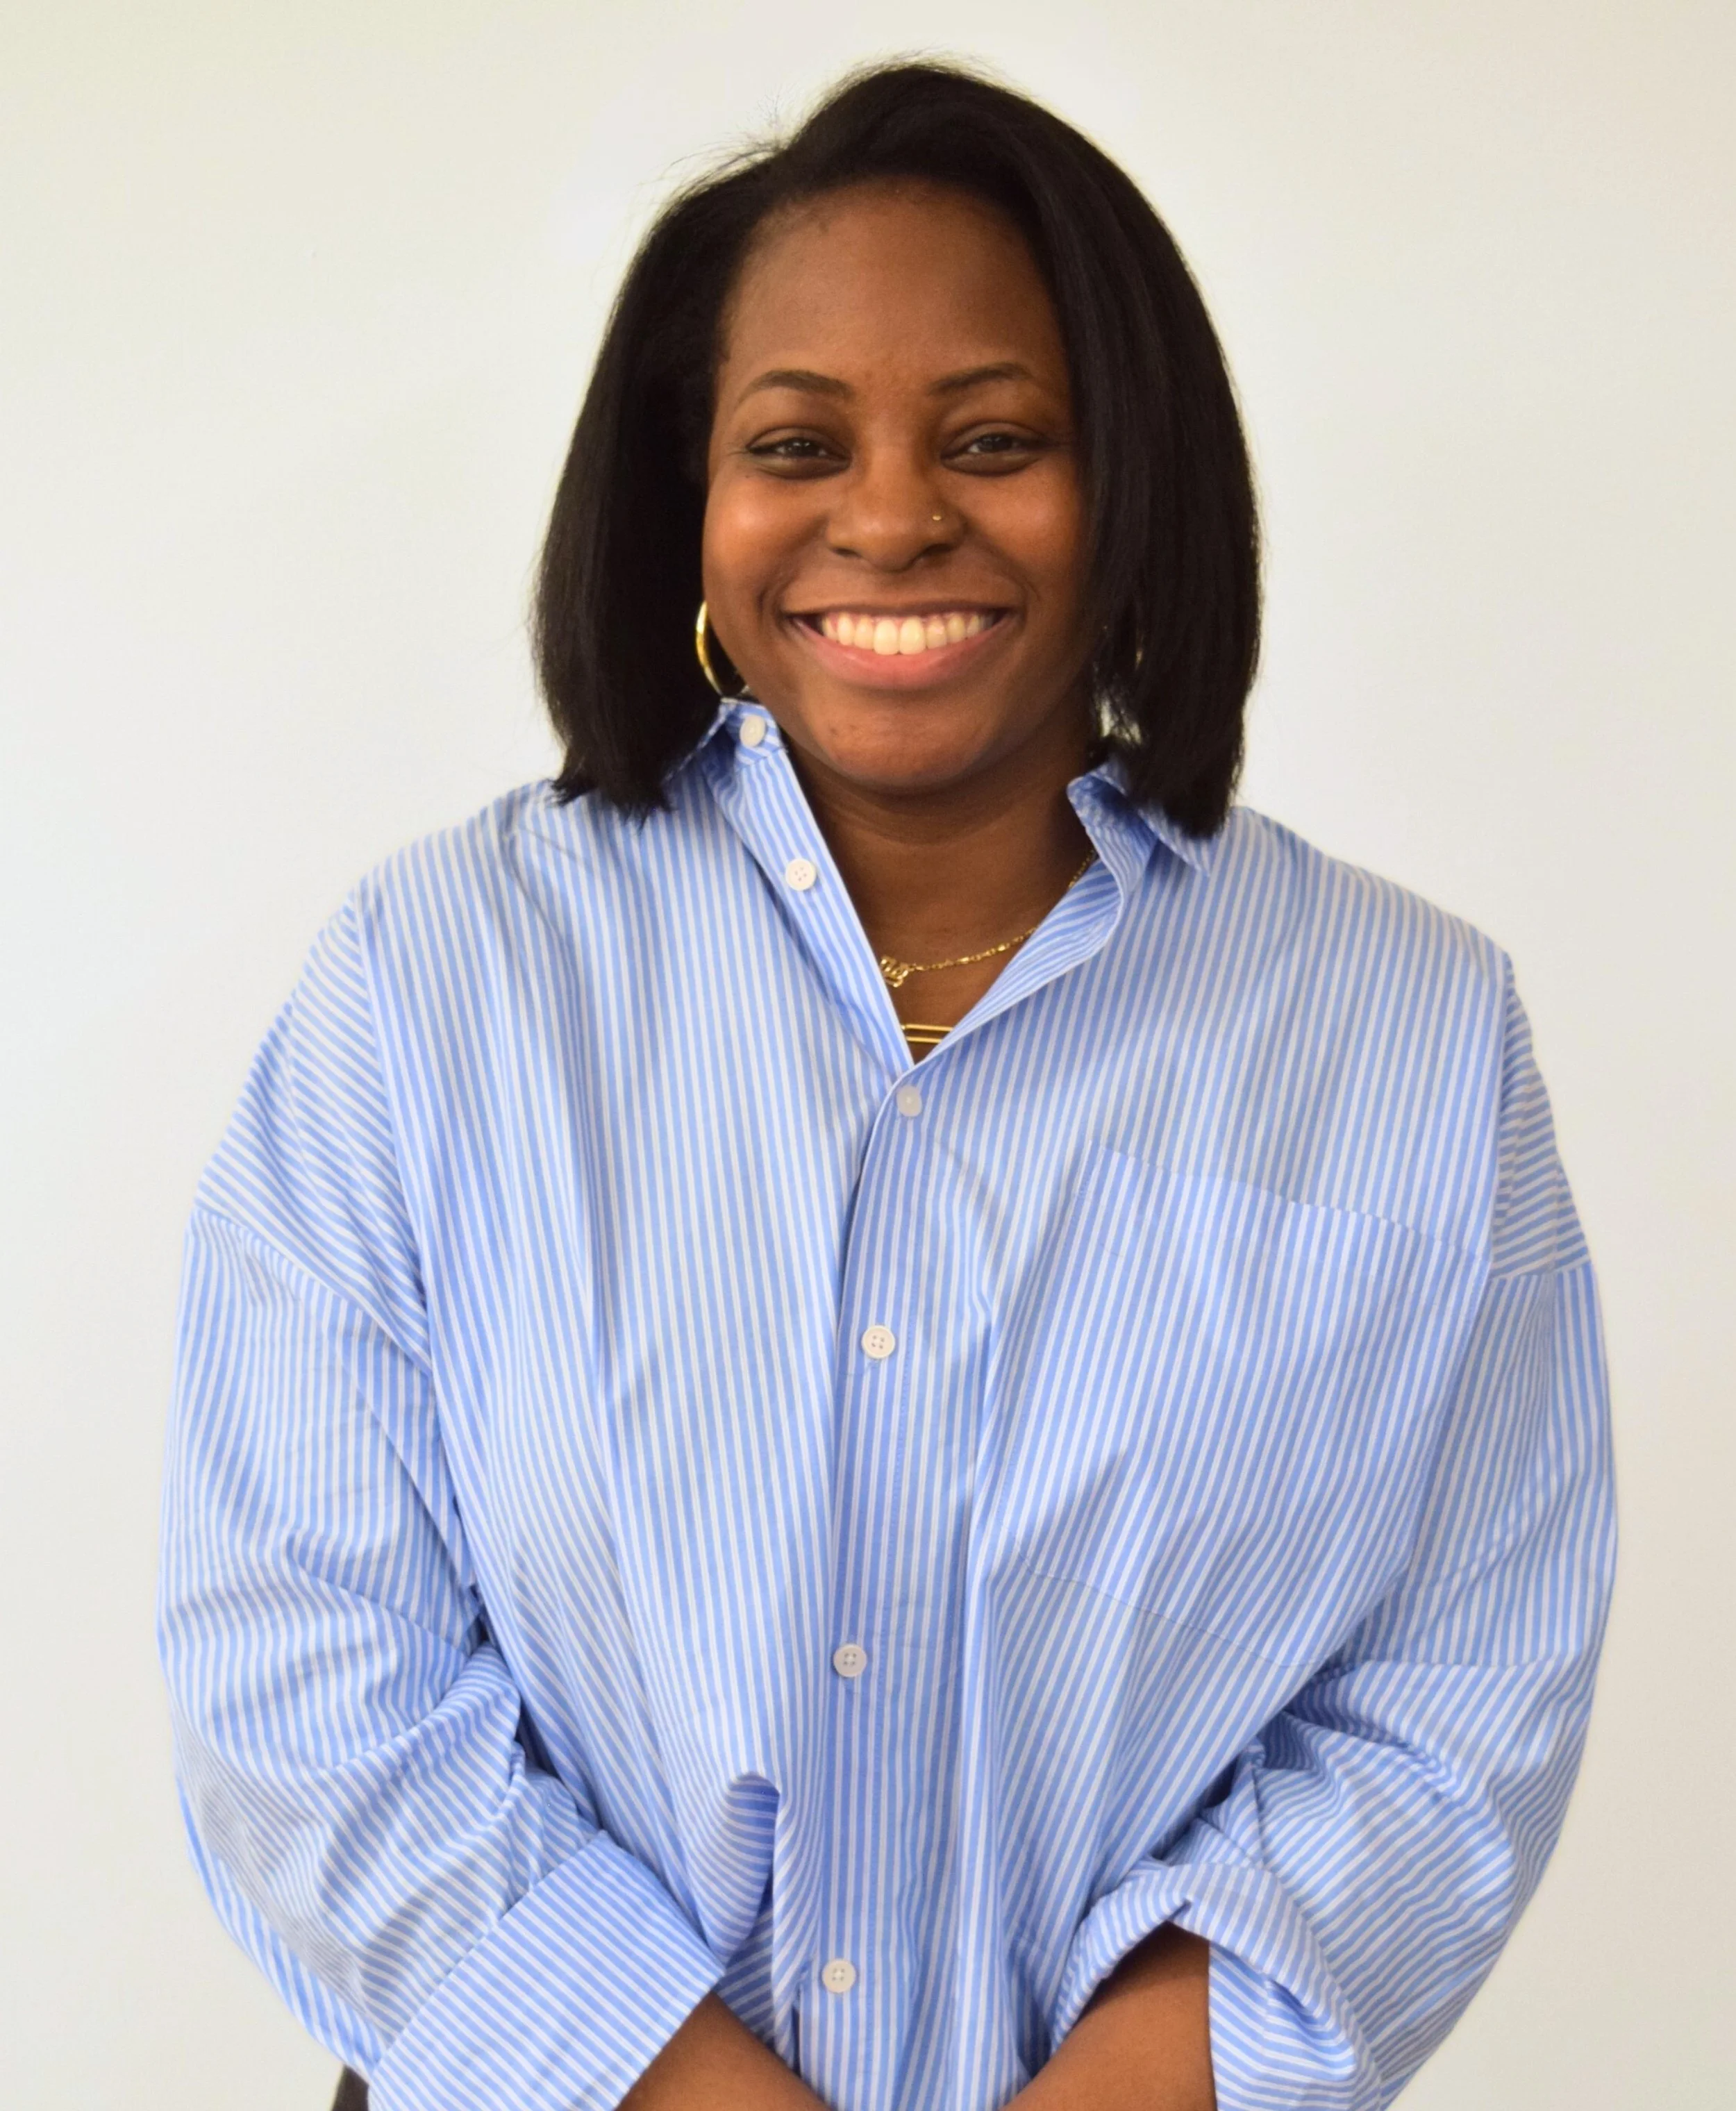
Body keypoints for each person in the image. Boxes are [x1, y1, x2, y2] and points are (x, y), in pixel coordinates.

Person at [158, 60, 1614, 2111]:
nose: (891, 513)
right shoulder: (437, 985)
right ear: (691, 501)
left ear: (1133, 493)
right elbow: (299, 1657)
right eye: (794, 443)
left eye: (996, 437)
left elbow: (1456, 1693)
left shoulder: (1415, 1037)